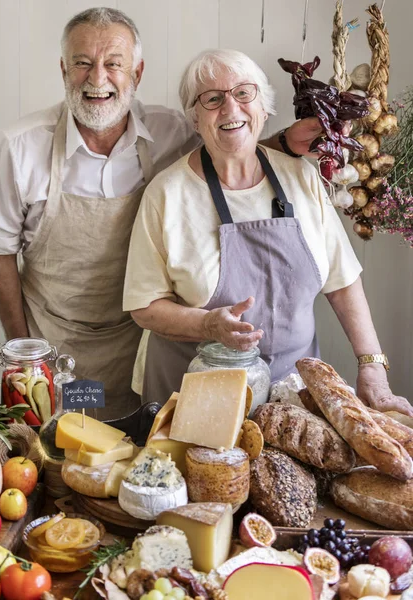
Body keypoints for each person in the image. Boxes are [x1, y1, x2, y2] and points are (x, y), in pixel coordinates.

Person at [0, 8, 329, 420]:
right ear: (63, 69)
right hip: (61, 352)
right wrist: (25, 357)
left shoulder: (171, 132)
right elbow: (0, 252)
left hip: (143, 343)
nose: (97, 79)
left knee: (136, 450)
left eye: (114, 64)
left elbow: (229, 149)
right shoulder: (19, 148)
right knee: (67, 452)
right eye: (82, 63)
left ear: (137, 73)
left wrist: (284, 142)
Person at [123, 48, 413, 417]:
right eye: (212, 99)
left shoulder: (302, 177)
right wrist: (209, 324)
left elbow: (342, 280)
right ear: (195, 119)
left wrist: (372, 366)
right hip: (194, 399)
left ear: (264, 107)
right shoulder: (167, 194)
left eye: (244, 93)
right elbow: (144, 307)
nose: (231, 109)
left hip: (293, 398)